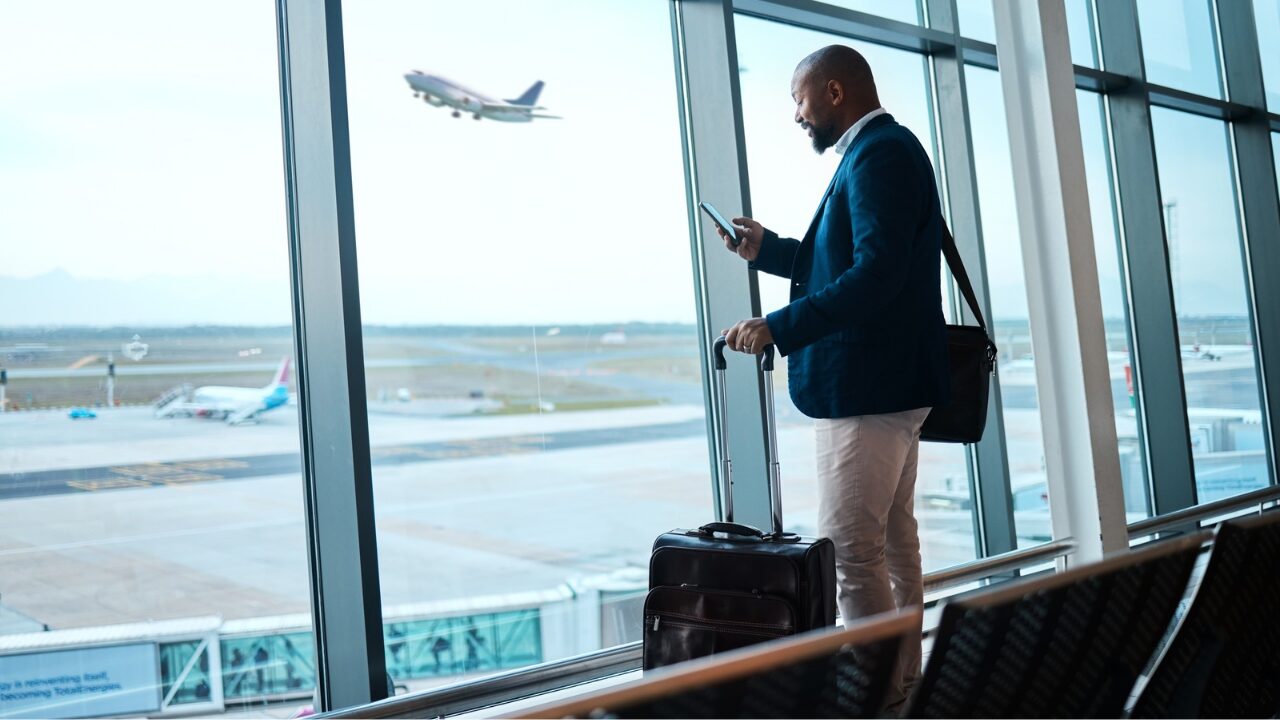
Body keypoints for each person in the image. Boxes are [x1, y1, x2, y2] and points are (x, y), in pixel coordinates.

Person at [717, 44, 949, 709]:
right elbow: (848, 261)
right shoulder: (884, 152)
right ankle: (903, 685)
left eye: (799, 97)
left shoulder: (879, 156)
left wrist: (780, 325)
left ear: (836, 92)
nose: (796, 114)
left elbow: (876, 275)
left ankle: (876, 697)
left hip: (868, 388)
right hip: (894, 386)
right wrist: (771, 251)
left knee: (852, 553)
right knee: (893, 545)